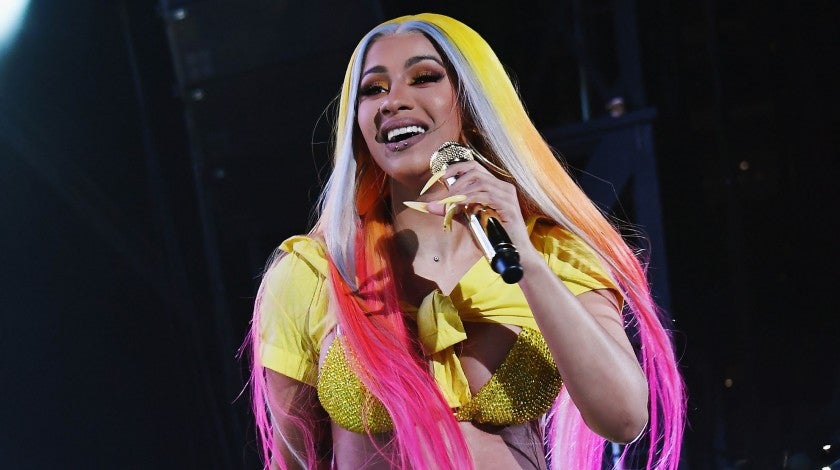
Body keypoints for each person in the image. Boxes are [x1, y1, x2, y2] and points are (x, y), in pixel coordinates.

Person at [245, 13, 685, 470]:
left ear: (472, 106)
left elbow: (623, 419)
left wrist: (526, 261)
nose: (393, 101)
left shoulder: (554, 253)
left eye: (424, 78)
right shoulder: (315, 271)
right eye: (373, 89)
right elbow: (291, 460)